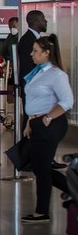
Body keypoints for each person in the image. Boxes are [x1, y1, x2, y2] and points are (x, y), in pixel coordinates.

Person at [21, 35, 74, 224]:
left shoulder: (57, 75)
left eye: (36, 51)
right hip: (38, 123)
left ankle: (42, 211)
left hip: (51, 124)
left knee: (42, 168)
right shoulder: (39, 72)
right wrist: (30, 121)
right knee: (39, 166)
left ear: (47, 53)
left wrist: (48, 117)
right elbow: (35, 101)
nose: (31, 54)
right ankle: (74, 190)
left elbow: (67, 101)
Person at [16, 10, 47, 87]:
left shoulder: (36, 39)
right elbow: (28, 67)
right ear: (35, 22)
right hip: (32, 87)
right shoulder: (27, 40)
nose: (46, 21)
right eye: (43, 19)